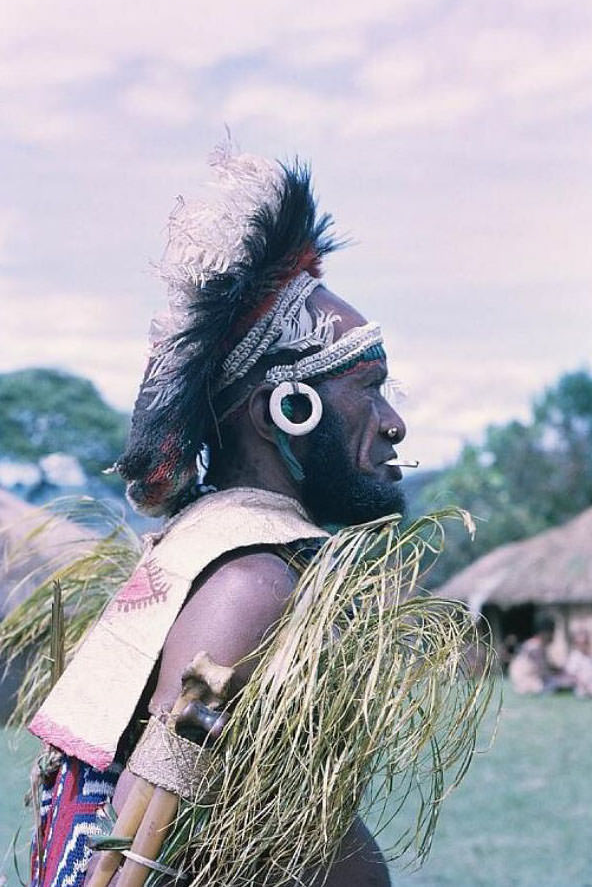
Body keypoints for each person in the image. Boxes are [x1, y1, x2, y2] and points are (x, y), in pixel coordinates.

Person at [26, 147, 480, 887]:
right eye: (368, 387)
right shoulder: (248, 584)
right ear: (286, 410)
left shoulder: (224, 553)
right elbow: (129, 860)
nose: (394, 421)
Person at [509, 616, 570, 694]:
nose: (553, 636)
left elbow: (550, 667)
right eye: (552, 632)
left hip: (532, 681)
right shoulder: (534, 647)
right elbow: (543, 672)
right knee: (560, 683)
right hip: (527, 682)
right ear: (545, 633)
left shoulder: (540, 647)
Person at [565, 628, 592, 698]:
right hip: (582, 688)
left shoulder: (589, 656)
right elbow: (572, 675)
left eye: (586, 642)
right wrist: (585, 685)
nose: (583, 645)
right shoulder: (574, 657)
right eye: (581, 643)